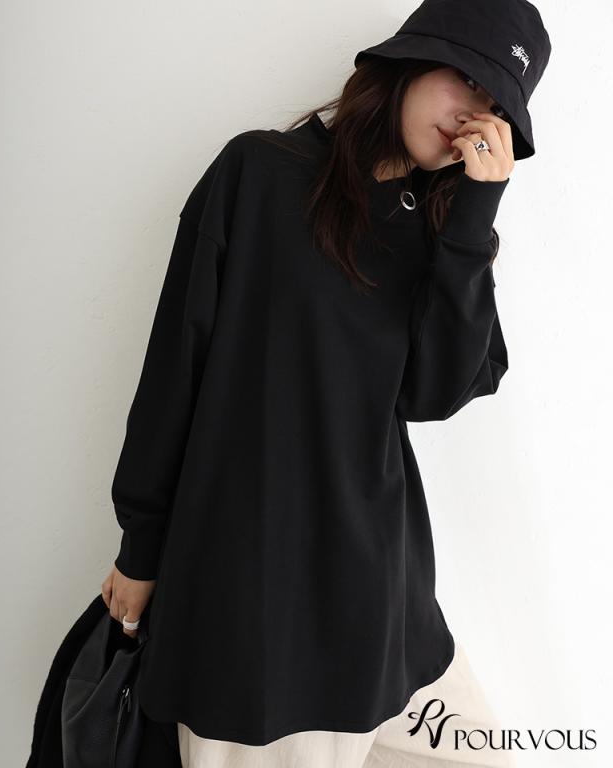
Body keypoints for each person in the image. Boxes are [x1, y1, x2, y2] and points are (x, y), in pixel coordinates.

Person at [100, 0, 551, 765]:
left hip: (386, 604)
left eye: (496, 107)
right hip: (258, 604)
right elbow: (175, 369)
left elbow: (435, 396)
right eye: (466, 80)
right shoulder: (259, 173)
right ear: (410, 62)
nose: (473, 116)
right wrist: (141, 548)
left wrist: (474, 217)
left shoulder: (445, 236)